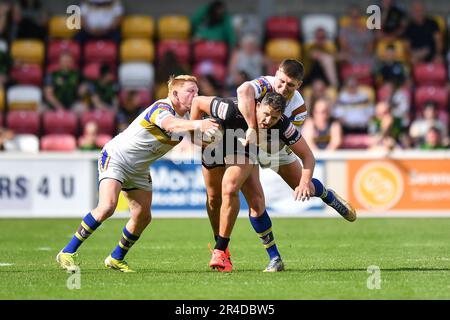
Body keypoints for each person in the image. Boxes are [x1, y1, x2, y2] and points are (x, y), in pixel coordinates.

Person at [56, 75, 219, 273]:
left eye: (197, 91)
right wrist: (199, 125)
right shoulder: (162, 108)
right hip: (116, 158)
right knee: (107, 206)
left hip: (139, 169)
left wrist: (218, 141)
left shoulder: (186, 118)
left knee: (143, 216)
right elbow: (170, 125)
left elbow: (196, 139)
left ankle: (116, 258)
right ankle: (67, 252)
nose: (196, 95)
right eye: (190, 91)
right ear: (175, 94)